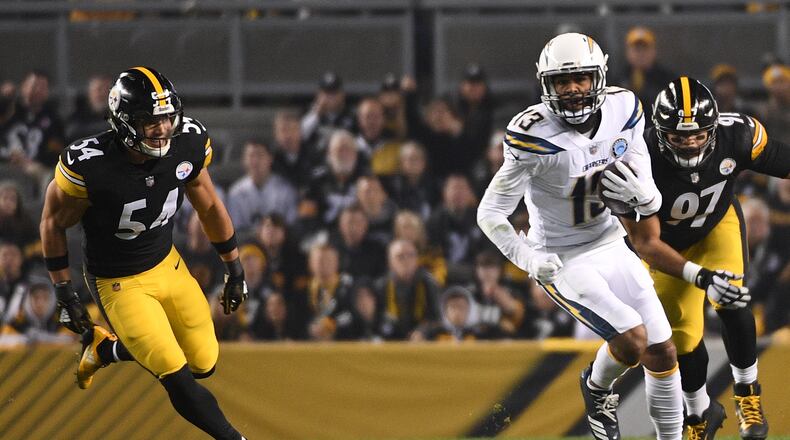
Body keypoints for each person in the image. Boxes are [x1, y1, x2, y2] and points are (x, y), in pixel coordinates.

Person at [477, 33, 682, 439]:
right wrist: (529, 259)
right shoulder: (531, 135)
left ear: (599, 77)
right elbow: (490, 213)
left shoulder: (624, 108)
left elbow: (641, 173)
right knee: (631, 339)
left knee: (662, 350)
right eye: (561, 82)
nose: (572, 89)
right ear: (545, 85)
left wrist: (650, 195)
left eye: (582, 79)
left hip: (609, 240)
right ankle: (596, 386)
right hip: (562, 255)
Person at [39, 66, 248, 440]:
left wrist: (235, 267)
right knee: (176, 376)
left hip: (168, 263)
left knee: (204, 362)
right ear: (123, 123)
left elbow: (211, 207)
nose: (162, 128)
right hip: (119, 282)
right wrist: (63, 290)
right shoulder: (90, 164)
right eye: (150, 121)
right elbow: (53, 223)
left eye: (167, 118)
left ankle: (106, 350)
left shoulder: (188, 142)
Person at [608, 77, 790, 439]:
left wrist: (712, 278)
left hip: (715, 226)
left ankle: (747, 395)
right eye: (678, 137)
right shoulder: (634, 159)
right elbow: (645, 244)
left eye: (697, 135)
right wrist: (700, 276)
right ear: (659, 133)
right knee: (681, 336)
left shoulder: (737, 135)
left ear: (714, 127)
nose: (690, 143)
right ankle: (698, 415)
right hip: (664, 248)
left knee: (732, 297)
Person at [615, 27, 676, 124]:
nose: (640, 54)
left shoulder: (667, 79)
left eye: (645, 49)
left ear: (653, 51)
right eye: (636, 49)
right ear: (628, 52)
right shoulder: (618, 78)